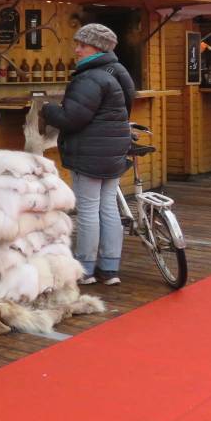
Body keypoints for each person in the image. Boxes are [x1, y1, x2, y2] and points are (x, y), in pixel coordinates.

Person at [41, 23, 136, 286]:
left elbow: (72, 119)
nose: (77, 50)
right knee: (108, 207)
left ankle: (85, 268)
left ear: (97, 48)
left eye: (82, 45)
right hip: (114, 149)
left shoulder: (89, 78)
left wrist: (48, 109)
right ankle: (110, 268)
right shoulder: (118, 71)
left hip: (90, 151)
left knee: (89, 210)